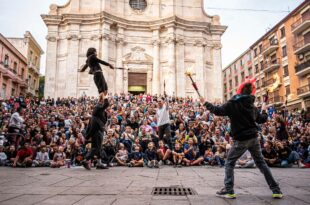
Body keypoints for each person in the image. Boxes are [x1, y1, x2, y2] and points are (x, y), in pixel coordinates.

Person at [200, 79, 282, 199]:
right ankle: (276, 190)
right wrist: (263, 109)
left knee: (229, 162)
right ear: (250, 93)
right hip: (254, 138)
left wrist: (205, 103)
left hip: (241, 139)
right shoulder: (252, 106)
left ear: (240, 91)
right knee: (261, 163)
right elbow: (262, 119)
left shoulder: (233, 103)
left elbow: (217, 111)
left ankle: (229, 190)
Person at [81, 96, 110, 170]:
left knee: (99, 148)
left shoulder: (98, 112)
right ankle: (86, 160)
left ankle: (99, 163)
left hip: (98, 131)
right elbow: (106, 104)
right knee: (95, 148)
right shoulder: (97, 109)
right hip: (96, 132)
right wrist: (105, 96)